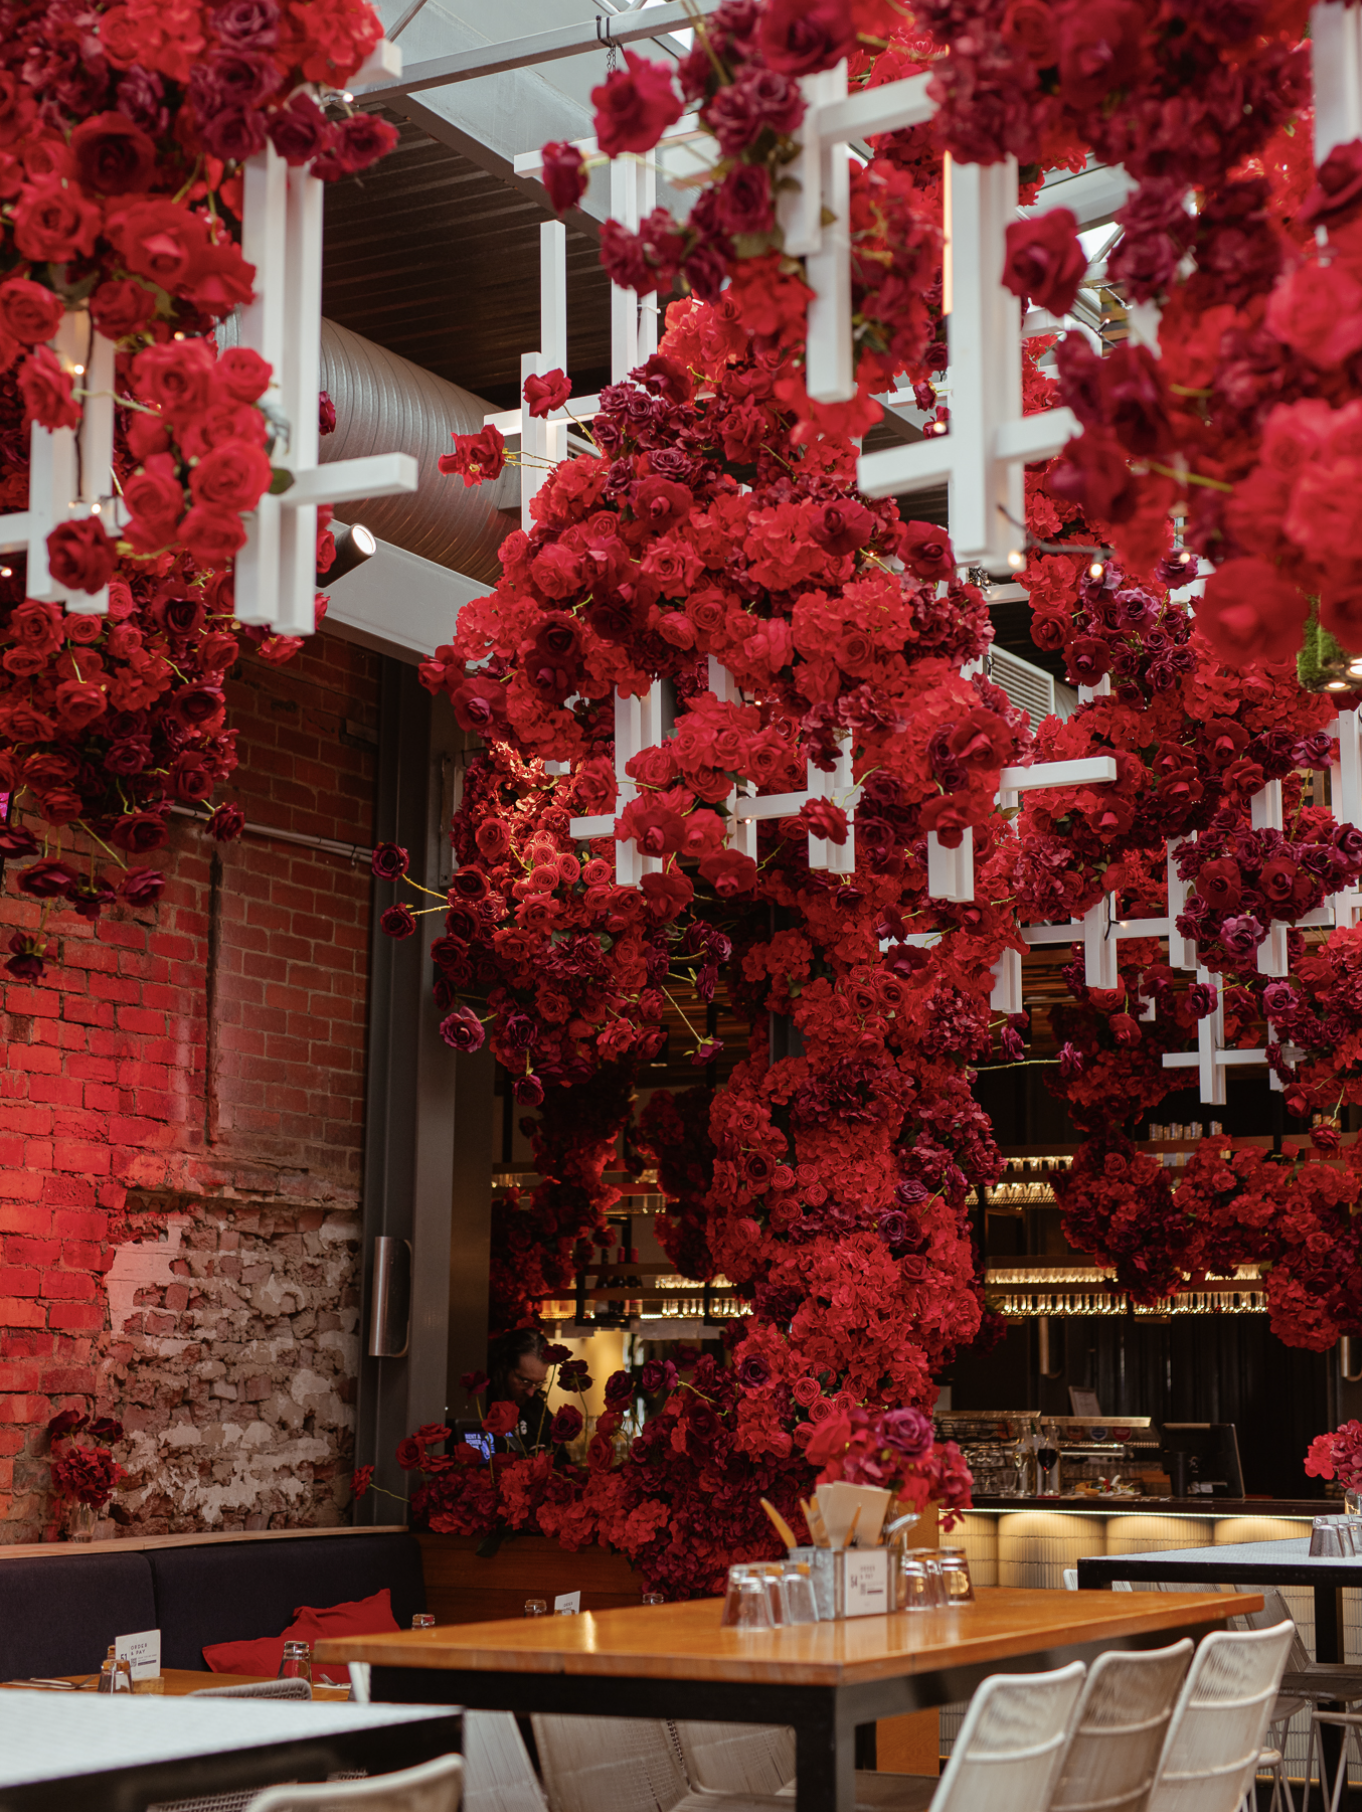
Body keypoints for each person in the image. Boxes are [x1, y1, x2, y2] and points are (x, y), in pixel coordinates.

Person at [486, 1328, 554, 1452]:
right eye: (525, 1381)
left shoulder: (537, 1408)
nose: (531, 1393)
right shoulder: (481, 1403)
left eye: (539, 1383)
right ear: (504, 1367)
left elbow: (561, 1458)